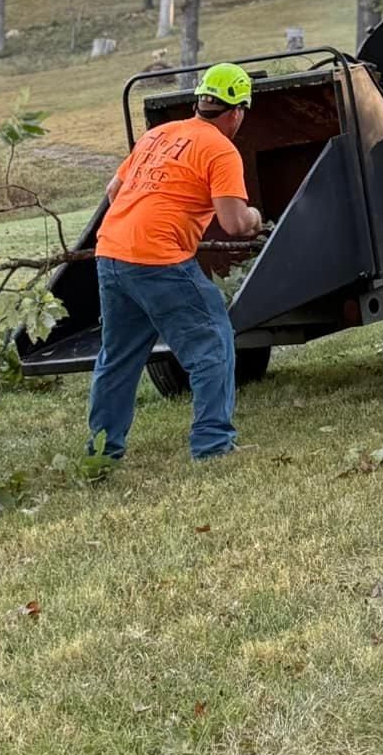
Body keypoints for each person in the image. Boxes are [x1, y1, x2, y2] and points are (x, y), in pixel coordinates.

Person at [87, 62, 263, 463]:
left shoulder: (159, 134)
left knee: (117, 358)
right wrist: (255, 220)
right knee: (212, 342)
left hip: (112, 252)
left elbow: (113, 191)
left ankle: (101, 452)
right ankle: (213, 445)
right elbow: (235, 223)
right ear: (237, 111)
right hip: (158, 259)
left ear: (201, 102)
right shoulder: (221, 149)